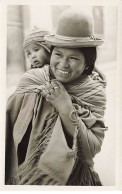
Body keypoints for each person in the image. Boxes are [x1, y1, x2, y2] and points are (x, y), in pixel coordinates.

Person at [5, 8, 107, 186]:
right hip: (25, 178)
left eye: (73, 58)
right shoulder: (32, 81)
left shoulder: (93, 93)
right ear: (51, 53)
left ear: (86, 64)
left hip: (72, 180)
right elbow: (8, 129)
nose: (63, 64)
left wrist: (66, 107)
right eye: (58, 54)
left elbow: (91, 149)